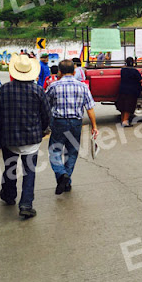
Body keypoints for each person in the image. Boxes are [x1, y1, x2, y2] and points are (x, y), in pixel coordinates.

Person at [0, 53, 51, 219]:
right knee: (30, 172)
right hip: (32, 139)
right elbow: (46, 115)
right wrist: (43, 130)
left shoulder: (5, 89)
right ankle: (26, 204)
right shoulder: (38, 90)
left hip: (9, 138)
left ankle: (9, 195)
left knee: (10, 168)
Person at [46, 59, 98, 195]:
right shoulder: (83, 87)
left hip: (59, 122)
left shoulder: (53, 86)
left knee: (55, 151)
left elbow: (46, 106)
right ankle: (67, 180)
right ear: (74, 72)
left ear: (59, 72)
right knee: (72, 152)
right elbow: (90, 108)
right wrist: (94, 126)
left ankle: (61, 174)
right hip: (76, 123)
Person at [117, 57, 142, 127]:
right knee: (128, 107)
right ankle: (125, 122)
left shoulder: (123, 70)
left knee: (123, 107)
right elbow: (141, 80)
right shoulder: (134, 71)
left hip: (123, 90)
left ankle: (123, 120)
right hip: (131, 91)